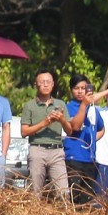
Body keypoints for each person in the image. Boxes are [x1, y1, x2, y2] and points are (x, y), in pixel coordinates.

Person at [20, 69, 70, 200]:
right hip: (37, 149)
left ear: (53, 84)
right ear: (36, 84)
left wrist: (62, 120)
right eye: (42, 82)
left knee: (63, 192)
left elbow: (70, 130)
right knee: (34, 191)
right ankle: (33, 212)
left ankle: (63, 212)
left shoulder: (60, 104)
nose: (45, 85)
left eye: (48, 82)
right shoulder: (29, 106)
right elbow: (24, 132)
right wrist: (45, 123)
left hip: (57, 150)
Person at [62, 75, 104, 205]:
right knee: (74, 197)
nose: (80, 91)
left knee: (87, 199)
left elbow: (101, 129)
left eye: (83, 88)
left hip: (90, 159)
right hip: (74, 158)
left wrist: (91, 140)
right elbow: (75, 126)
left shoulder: (93, 109)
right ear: (71, 90)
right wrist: (84, 105)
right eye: (76, 88)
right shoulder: (69, 107)